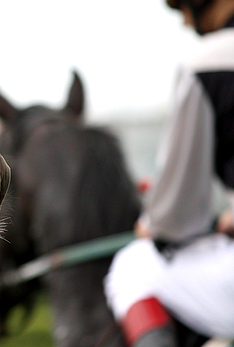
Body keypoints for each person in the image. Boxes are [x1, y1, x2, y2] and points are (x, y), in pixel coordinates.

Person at [104, 0, 234, 346]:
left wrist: (154, 224)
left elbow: (178, 213)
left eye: (184, 8)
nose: (186, 22)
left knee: (131, 268)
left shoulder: (206, 64)